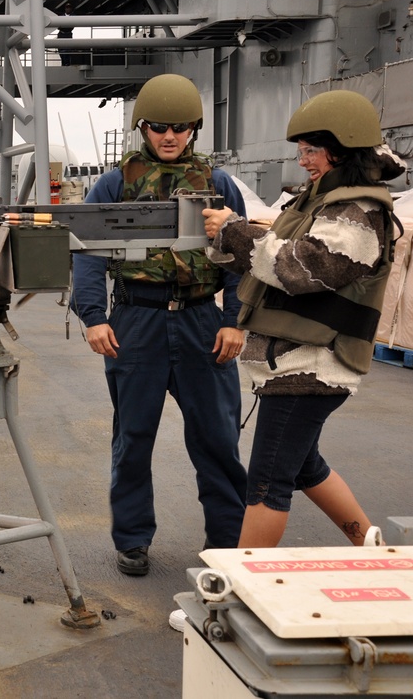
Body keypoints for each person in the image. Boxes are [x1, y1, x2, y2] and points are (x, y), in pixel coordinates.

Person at [202, 90, 406, 548]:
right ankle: (371, 545)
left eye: (311, 150)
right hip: (296, 364)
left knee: (267, 482)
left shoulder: (358, 210)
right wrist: (226, 239)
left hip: (311, 367)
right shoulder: (320, 202)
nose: (303, 161)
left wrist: (235, 230)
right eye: (302, 151)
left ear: (343, 146)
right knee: (304, 465)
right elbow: (269, 258)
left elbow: (302, 269)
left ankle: (235, 596)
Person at [72, 74, 249, 576]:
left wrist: (234, 321)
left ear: (193, 129)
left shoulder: (218, 184)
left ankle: (228, 543)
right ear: (142, 128)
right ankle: (132, 539)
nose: (169, 137)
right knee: (133, 437)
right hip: (137, 320)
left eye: (180, 128)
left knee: (217, 438)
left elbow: (240, 253)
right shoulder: (115, 183)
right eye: (158, 128)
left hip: (201, 320)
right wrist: (93, 317)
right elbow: (86, 251)